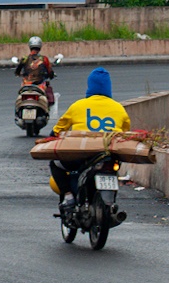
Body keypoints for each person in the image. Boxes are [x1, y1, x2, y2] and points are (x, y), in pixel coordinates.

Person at [49, 68, 134, 211]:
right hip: (108, 156)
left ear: (90, 86)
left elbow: (58, 130)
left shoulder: (78, 106)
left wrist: (52, 136)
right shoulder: (119, 108)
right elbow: (125, 133)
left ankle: (68, 195)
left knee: (55, 163)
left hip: (81, 156)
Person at [15, 36, 56, 106]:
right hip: (40, 85)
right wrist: (51, 75)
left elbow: (17, 71)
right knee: (49, 96)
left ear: (30, 46)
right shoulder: (44, 59)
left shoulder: (24, 58)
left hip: (26, 85)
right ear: (40, 46)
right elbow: (50, 71)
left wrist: (19, 74)